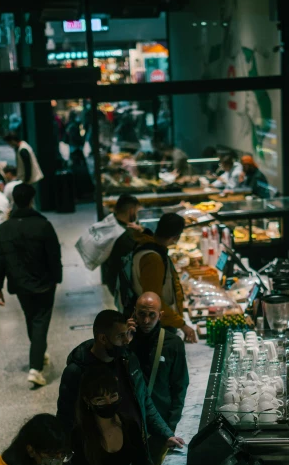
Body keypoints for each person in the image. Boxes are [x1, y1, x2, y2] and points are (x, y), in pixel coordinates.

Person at [57, 309, 183, 450]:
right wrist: (67, 453)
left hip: (135, 445)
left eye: (126, 334)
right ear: (103, 338)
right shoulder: (76, 372)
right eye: (120, 336)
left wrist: (165, 434)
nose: (126, 341)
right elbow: (65, 416)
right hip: (99, 452)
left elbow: (144, 401)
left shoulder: (128, 360)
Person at [0, 182, 62, 387]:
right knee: (40, 321)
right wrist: (56, 278)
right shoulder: (43, 225)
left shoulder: (4, 229)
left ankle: (39, 353)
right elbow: (54, 255)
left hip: (19, 284)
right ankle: (35, 368)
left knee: (31, 317)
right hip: (44, 283)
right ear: (32, 200)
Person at [130, 292, 189, 465]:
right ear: (134, 314)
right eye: (141, 314)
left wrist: (169, 428)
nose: (146, 321)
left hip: (159, 426)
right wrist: (123, 341)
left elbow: (180, 387)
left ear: (160, 315)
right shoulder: (126, 341)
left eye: (151, 315)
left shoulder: (173, 344)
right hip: (130, 424)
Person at [125, 212, 197, 341]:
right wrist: (182, 325)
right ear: (176, 237)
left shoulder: (148, 244)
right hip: (157, 325)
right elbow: (154, 301)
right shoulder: (153, 259)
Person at [103, 193, 143, 295]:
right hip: (124, 286)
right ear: (131, 211)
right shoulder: (126, 236)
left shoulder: (111, 222)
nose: (137, 215)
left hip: (112, 278)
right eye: (137, 211)